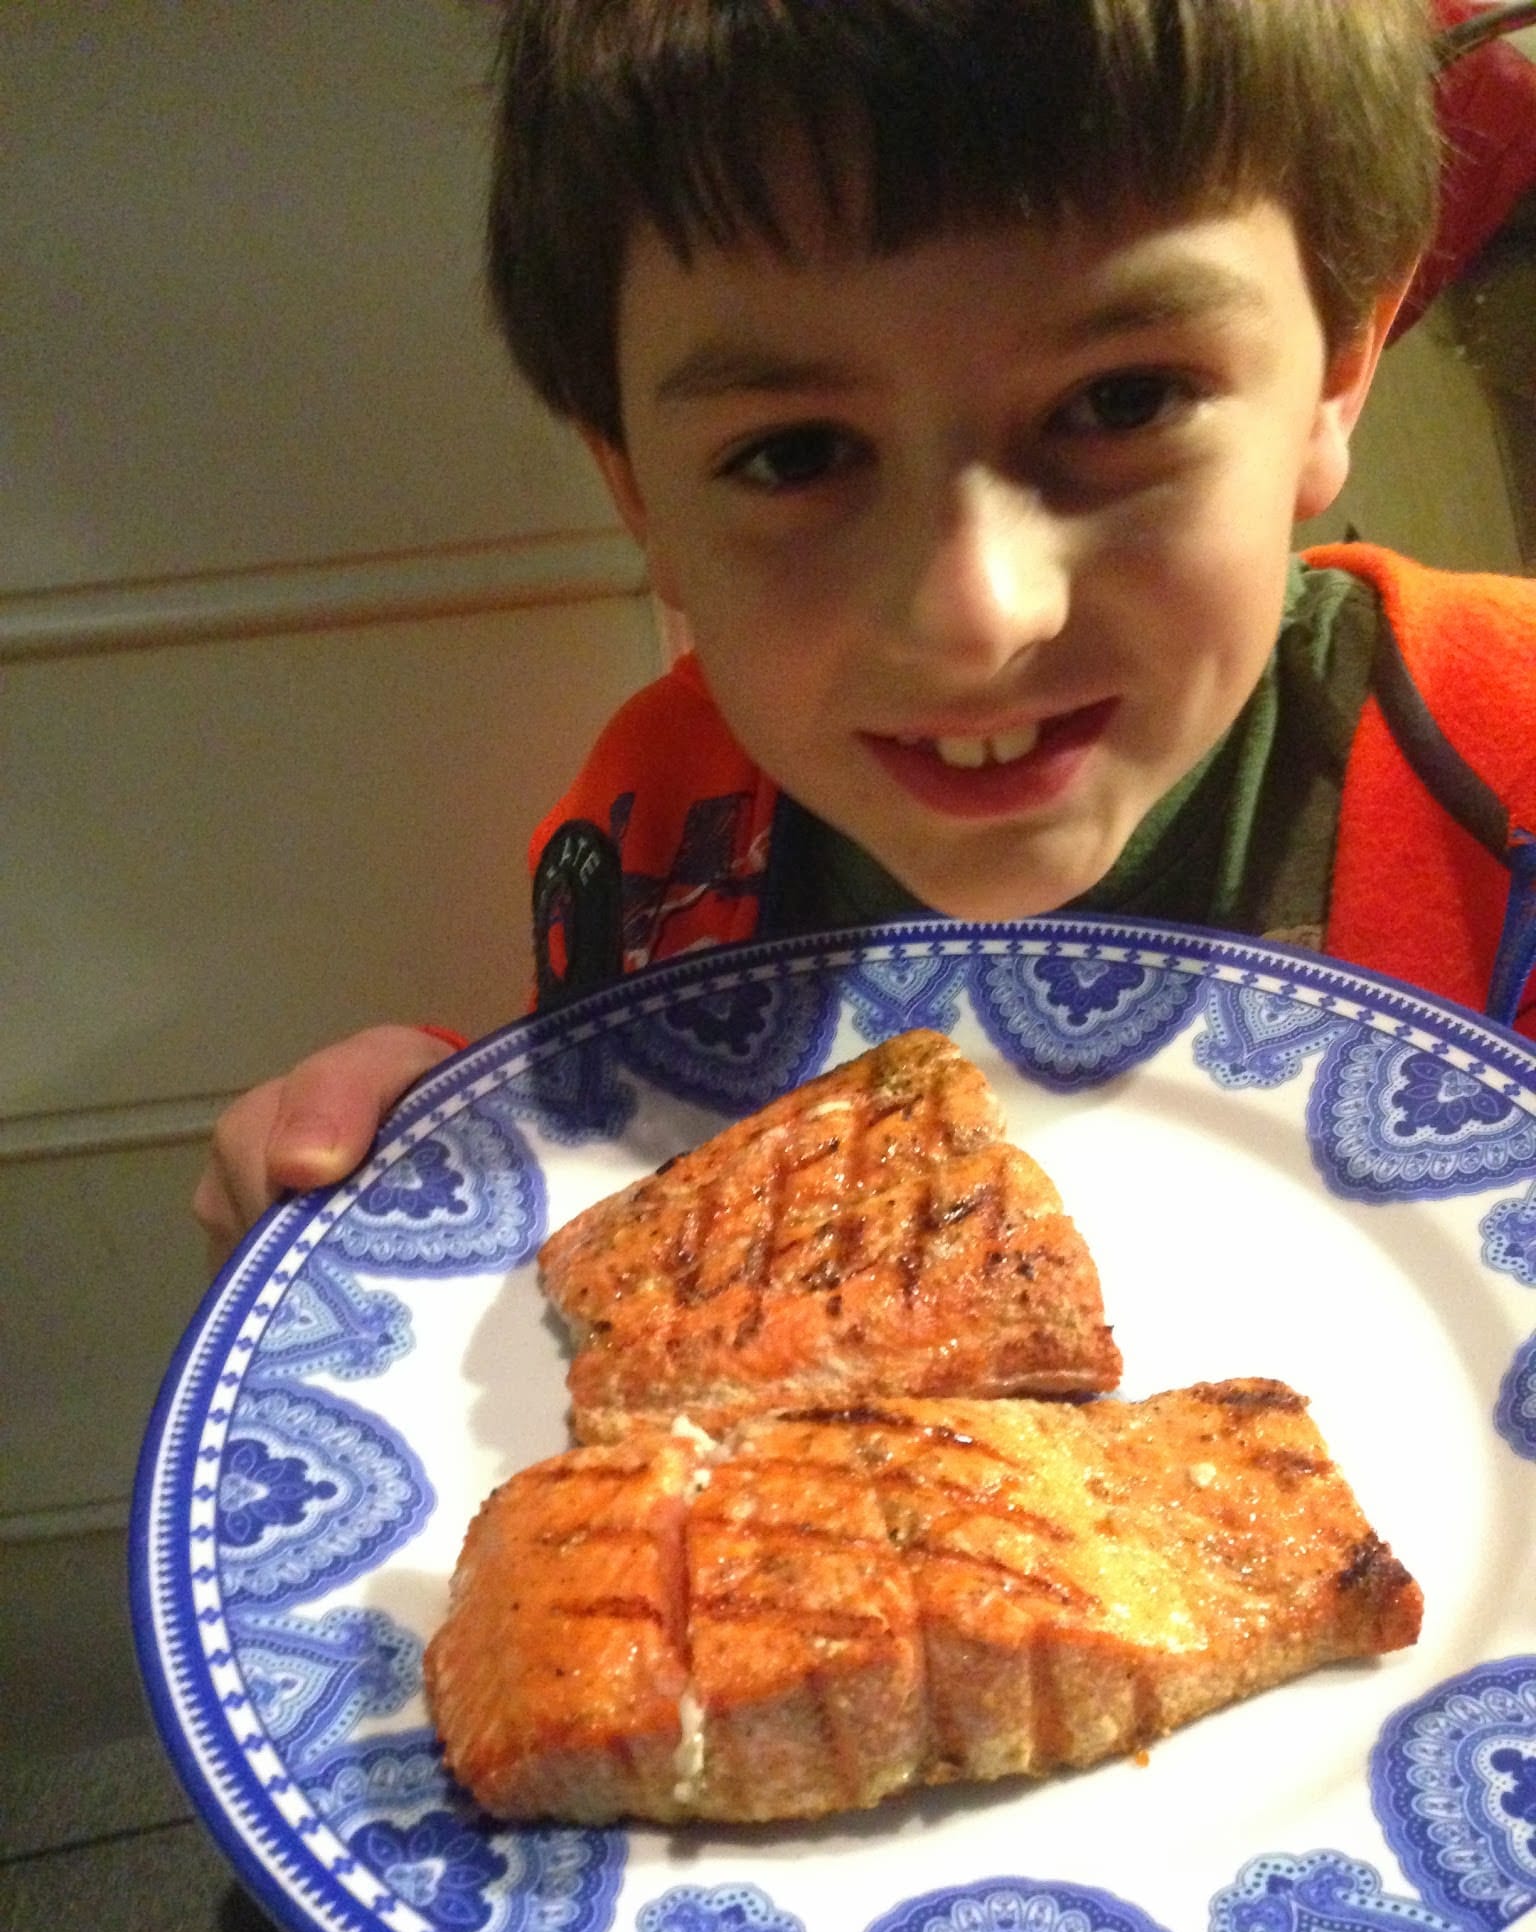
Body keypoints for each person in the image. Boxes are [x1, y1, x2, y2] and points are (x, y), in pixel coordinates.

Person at [195, 0, 1536, 1266]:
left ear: (1338, 373)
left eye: (1124, 401)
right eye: (796, 455)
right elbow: (646, 1199)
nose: (977, 617)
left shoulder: (1510, 764)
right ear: (637, 492)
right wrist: (435, 1164)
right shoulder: (659, 827)